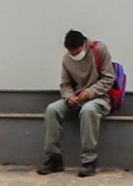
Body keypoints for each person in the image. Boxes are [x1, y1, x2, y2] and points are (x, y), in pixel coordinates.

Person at [38, 29, 115, 177]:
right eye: (71, 53)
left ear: (84, 44)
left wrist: (91, 92)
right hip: (76, 98)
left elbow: (108, 79)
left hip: (99, 98)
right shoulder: (67, 58)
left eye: (77, 52)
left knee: (88, 110)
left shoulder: (100, 50)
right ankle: (54, 158)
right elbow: (65, 84)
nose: (74, 56)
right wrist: (68, 97)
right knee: (52, 110)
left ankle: (89, 160)